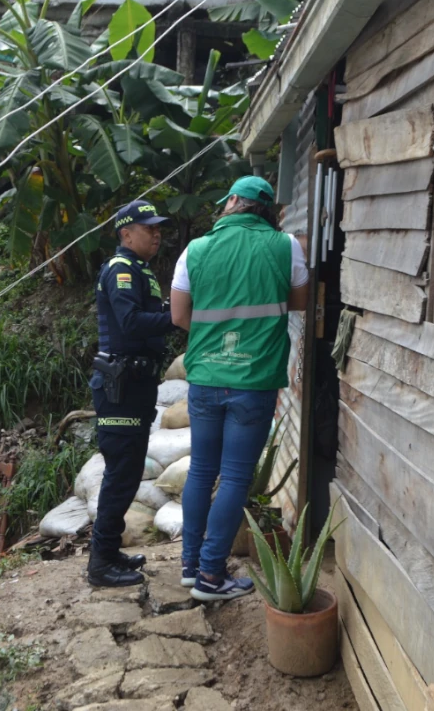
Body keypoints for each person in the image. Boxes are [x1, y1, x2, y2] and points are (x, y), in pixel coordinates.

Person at [169, 176, 309, 601]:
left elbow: (178, 316)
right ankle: (212, 576)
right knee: (233, 477)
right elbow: (300, 303)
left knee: (200, 471)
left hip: (206, 379)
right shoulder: (286, 246)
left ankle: (192, 567)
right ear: (268, 209)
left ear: (231, 202)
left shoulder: (196, 249)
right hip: (254, 382)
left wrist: (217, 338)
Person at [88, 200, 177, 587]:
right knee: (120, 475)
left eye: (158, 228)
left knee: (127, 472)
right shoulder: (121, 269)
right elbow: (130, 323)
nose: (156, 234)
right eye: (148, 228)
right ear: (126, 234)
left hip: (136, 385)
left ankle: (108, 553)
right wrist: (177, 317)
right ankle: (99, 565)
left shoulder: (140, 270)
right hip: (119, 389)